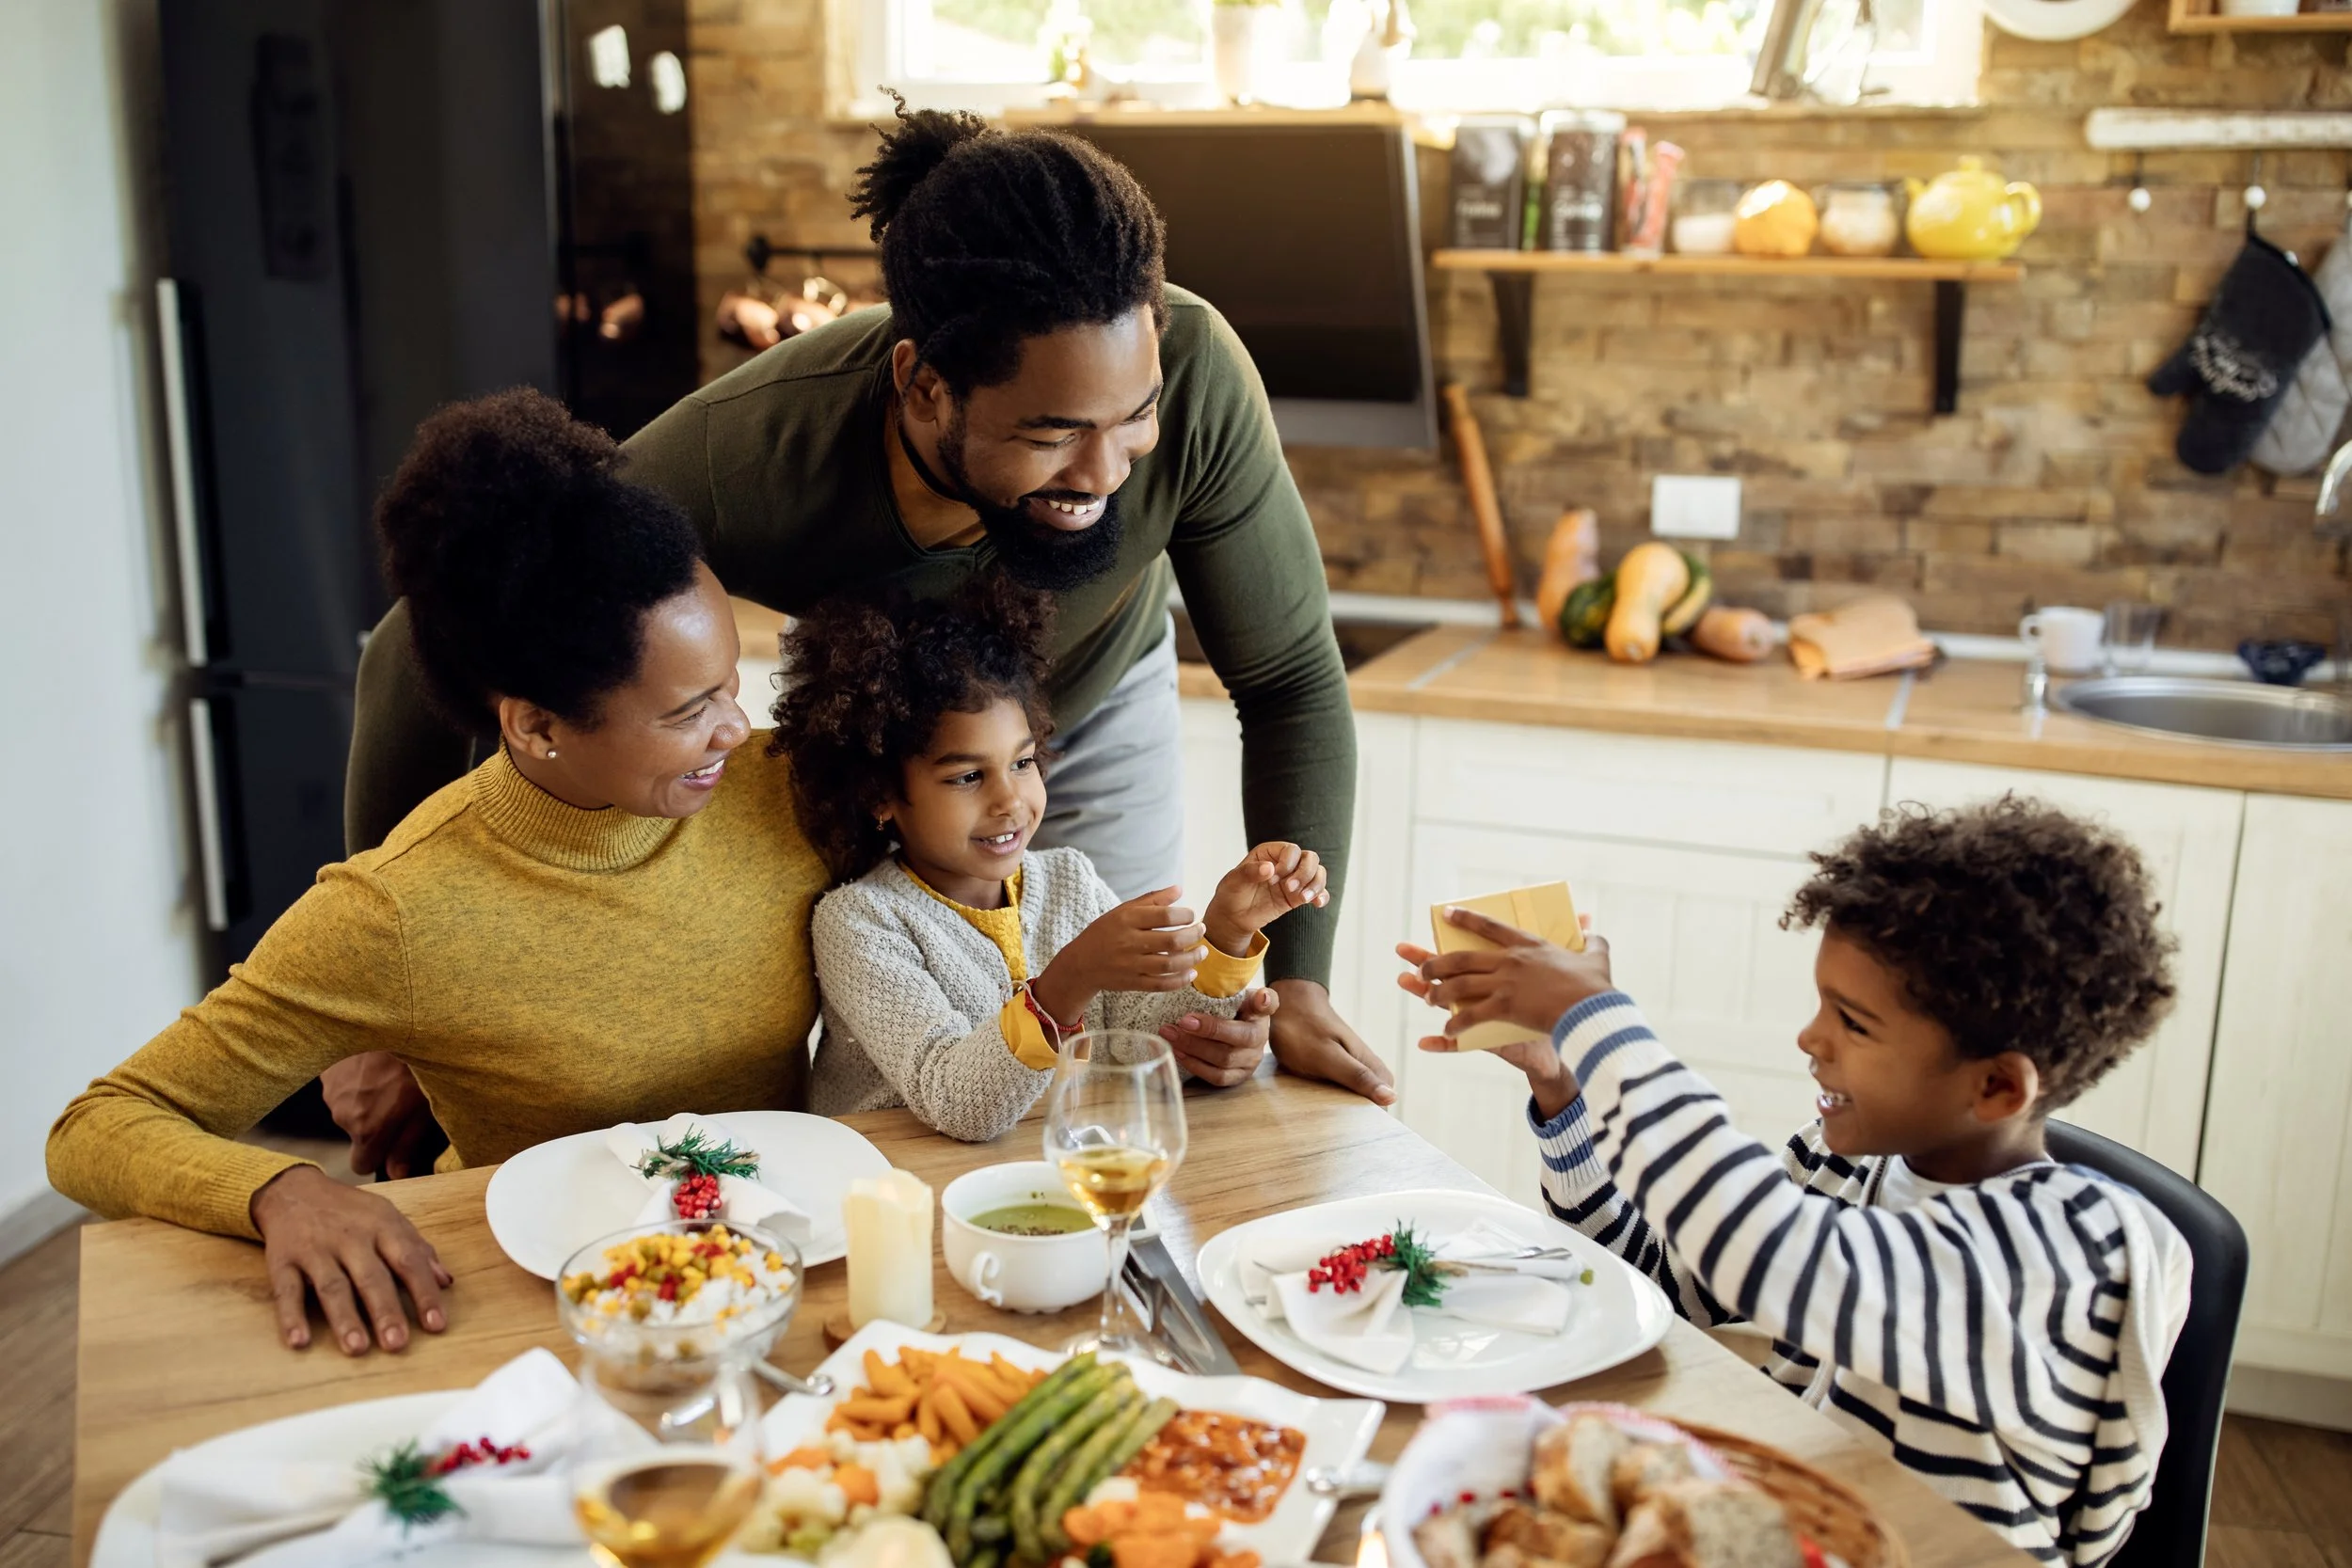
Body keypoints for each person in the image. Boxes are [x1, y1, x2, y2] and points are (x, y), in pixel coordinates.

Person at [325, 99, 1392, 1173]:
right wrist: (381, 1017)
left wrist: (1290, 976)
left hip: (1092, 697)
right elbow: (413, 654)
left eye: (1133, 418)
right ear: (923, 386)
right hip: (886, 738)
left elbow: (1293, 677)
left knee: (1114, 1084)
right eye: (1052, 433)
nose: (1109, 474)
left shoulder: (1199, 368)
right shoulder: (745, 464)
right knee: (921, 1096)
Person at [46, 390, 831, 1357]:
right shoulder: (401, 907)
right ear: (535, 725)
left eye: (732, 685)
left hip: (786, 1277)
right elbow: (97, 1124)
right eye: (689, 709)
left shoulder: (786, 790)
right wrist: (282, 1188)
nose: (738, 729)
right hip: (544, 1324)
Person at [1396, 799, 2191, 1568]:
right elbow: (1676, 1279)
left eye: (1854, 1021)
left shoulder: (2065, 1254)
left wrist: (1595, 1014)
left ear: (1995, 1089)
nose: (1811, 1037)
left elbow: (1761, 1247)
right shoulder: (1853, 1162)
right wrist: (1565, 1087)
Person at [776, 578, 1329, 1141]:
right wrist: (1070, 978)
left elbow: (1145, 1042)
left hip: (1040, 1175)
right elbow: (958, 1103)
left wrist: (1228, 932)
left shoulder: (1069, 878)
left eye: (1021, 763)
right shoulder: (860, 922)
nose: (1010, 801)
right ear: (879, 795)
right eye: (968, 777)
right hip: (900, 1194)